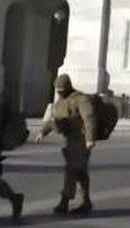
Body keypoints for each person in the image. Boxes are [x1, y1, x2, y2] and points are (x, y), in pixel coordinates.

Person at [36, 74, 96, 215]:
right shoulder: (60, 102)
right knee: (80, 172)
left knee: (71, 170)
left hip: (81, 140)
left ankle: (64, 201)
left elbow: (89, 117)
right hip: (70, 140)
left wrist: (90, 139)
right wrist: (42, 132)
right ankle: (85, 201)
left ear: (68, 86)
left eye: (62, 89)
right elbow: (55, 121)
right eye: (58, 90)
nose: (60, 92)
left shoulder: (81, 99)